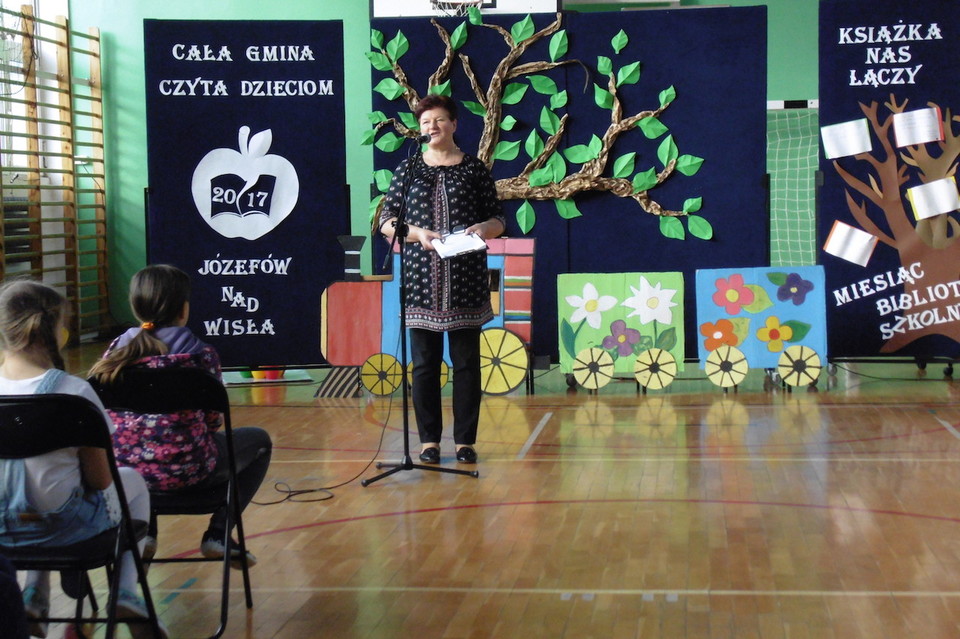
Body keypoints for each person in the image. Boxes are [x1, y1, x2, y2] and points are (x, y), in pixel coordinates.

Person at [0, 279, 165, 639]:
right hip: (65, 528)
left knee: (34, 498)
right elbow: (101, 480)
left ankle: (33, 595)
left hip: (3, 532)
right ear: (53, 331)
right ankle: (125, 591)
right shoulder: (74, 393)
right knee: (133, 483)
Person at [89, 264, 271, 568]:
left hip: (125, 474)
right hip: (191, 472)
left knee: (142, 445)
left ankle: (145, 531)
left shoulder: (114, 355)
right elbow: (213, 422)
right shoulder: (200, 355)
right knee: (260, 441)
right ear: (183, 310)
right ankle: (219, 532)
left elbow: (103, 419)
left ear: (136, 307)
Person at [377, 94, 506, 465]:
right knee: (424, 365)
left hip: (465, 277)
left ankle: (465, 441)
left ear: (453, 124)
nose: (431, 127)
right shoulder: (409, 169)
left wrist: (484, 228)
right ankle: (429, 442)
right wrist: (417, 233)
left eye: (438, 120)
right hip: (421, 279)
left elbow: (498, 219)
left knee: (466, 364)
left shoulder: (474, 169)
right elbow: (387, 221)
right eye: (425, 122)